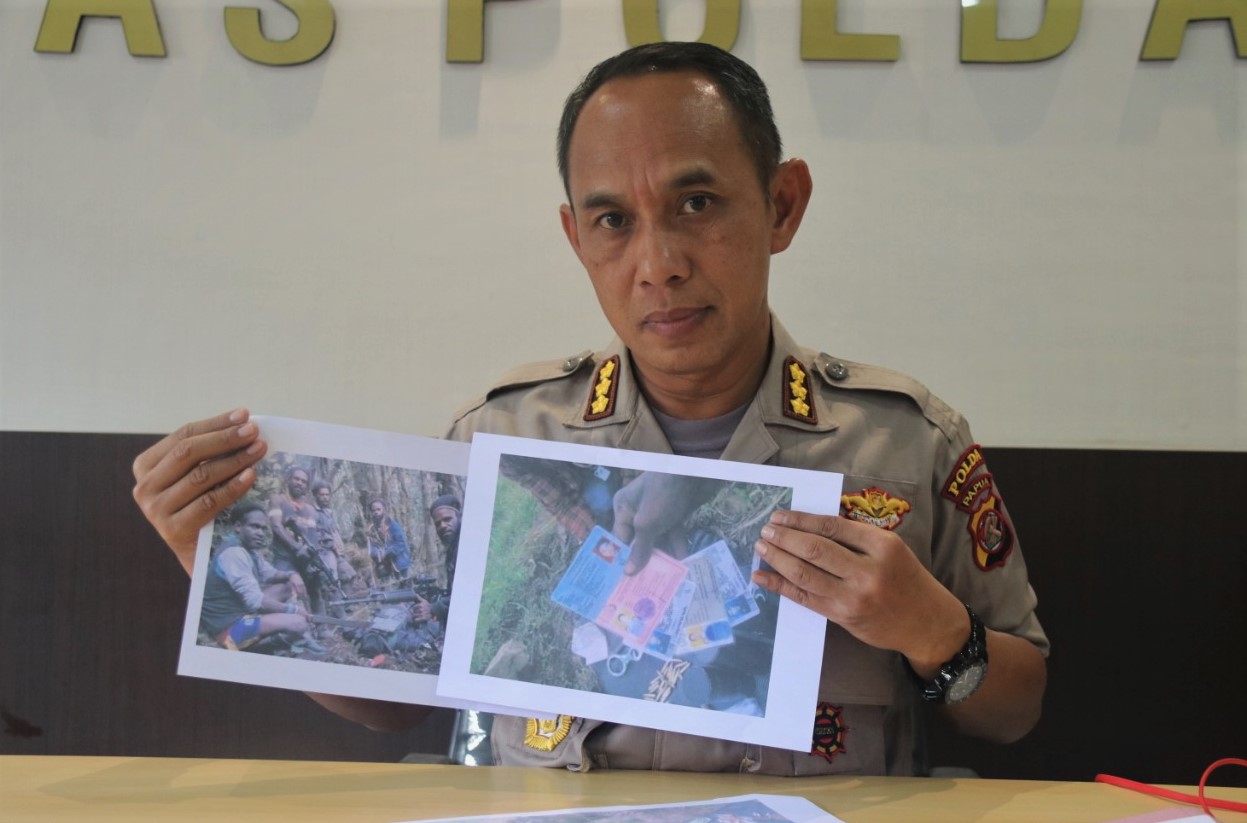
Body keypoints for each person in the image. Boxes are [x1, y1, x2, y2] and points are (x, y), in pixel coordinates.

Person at [131, 41, 1047, 776]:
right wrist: (221, 555)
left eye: (696, 202)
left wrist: (932, 632)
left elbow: (1016, 709)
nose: (658, 265)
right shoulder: (502, 434)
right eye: (613, 221)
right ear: (575, 235)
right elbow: (395, 702)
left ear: (781, 204)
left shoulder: (903, 439)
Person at [198, 503, 325, 655]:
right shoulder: (233, 554)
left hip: (241, 614)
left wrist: (292, 575)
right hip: (227, 632)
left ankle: (286, 636)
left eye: (264, 529)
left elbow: (271, 574)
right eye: (254, 527)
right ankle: (265, 648)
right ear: (238, 527)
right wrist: (294, 610)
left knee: (287, 586)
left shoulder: (248, 551)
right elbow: (256, 602)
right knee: (298, 623)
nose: (260, 533)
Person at [310, 479, 358, 588]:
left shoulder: (328, 512)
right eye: (322, 495)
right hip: (323, 551)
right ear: (315, 495)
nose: (325, 497)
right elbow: (314, 534)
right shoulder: (312, 512)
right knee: (332, 579)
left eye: (327, 495)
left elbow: (333, 531)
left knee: (349, 574)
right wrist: (331, 544)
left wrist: (340, 545)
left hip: (336, 551)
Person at [366, 498, 412, 581]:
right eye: (373, 510)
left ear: (383, 509)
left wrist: (386, 552)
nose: (376, 512)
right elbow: (370, 547)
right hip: (384, 568)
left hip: (400, 564)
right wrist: (376, 552)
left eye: (378, 509)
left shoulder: (392, 525)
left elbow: (401, 544)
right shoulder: (371, 529)